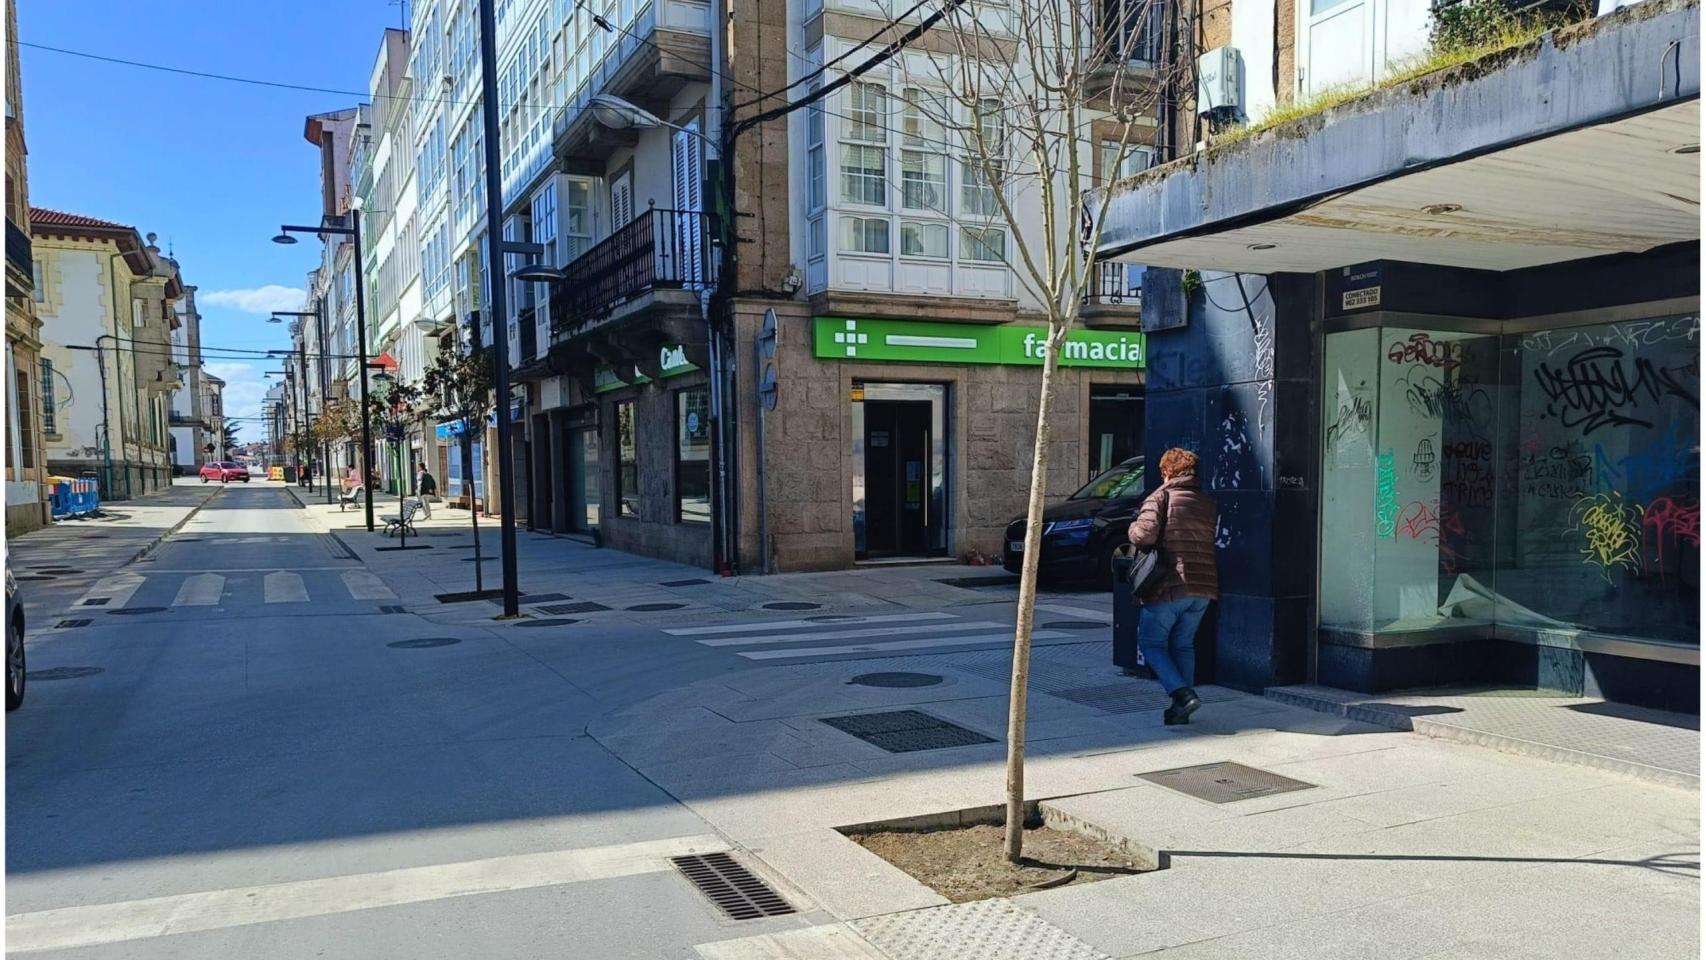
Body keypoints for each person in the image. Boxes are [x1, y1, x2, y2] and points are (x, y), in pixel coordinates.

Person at [1127, 448, 1220, 726]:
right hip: (1203, 586)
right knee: (1183, 645)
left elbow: (1144, 535)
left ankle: (1182, 694)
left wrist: (1131, 527)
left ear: (1167, 471)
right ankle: (1182, 708)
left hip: (1169, 585)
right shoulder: (1205, 501)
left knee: (1151, 643)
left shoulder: (1161, 497)